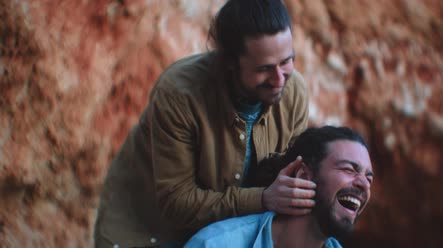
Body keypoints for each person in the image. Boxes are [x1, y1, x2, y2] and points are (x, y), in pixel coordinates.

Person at [94, 0, 317, 247]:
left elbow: (289, 180)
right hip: (145, 232)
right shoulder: (180, 94)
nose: (279, 79)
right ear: (230, 63)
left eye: (287, 61)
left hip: (223, 237)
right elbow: (176, 203)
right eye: (264, 68)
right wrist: (263, 199)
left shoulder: (294, 91)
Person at [184, 126, 375, 248]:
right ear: (303, 176)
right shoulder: (215, 244)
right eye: (350, 169)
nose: (363, 184)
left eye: (369, 178)